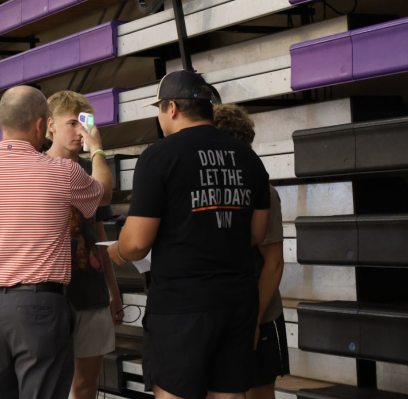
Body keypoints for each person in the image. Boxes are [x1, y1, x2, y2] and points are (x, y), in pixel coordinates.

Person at [0, 85, 113, 399]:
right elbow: (104, 192)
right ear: (39, 125)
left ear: (0, 121)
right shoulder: (62, 171)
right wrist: (97, 148)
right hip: (40, 304)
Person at [107, 71, 271, 399]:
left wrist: (118, 252)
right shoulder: (249, 158)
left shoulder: (159, 155)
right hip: (237, 300)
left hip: (183, 305)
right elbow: (256, 234)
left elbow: (138, 243)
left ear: (171, 109)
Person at [45, 90, 123, 399]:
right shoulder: (38, 169)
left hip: (90, 292)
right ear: (50, 126)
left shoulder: (93, 176)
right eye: (72, 124)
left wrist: (113, 291)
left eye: (85, 124)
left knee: (85, 385)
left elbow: (100, 236)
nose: (81, 133)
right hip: (50, 295)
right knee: (49, 384)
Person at [213, 104, 289, 399]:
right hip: (220, 312)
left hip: (260, 314)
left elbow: (274, 264)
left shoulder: (263, 191)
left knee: (258, 393)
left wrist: (252, 320)